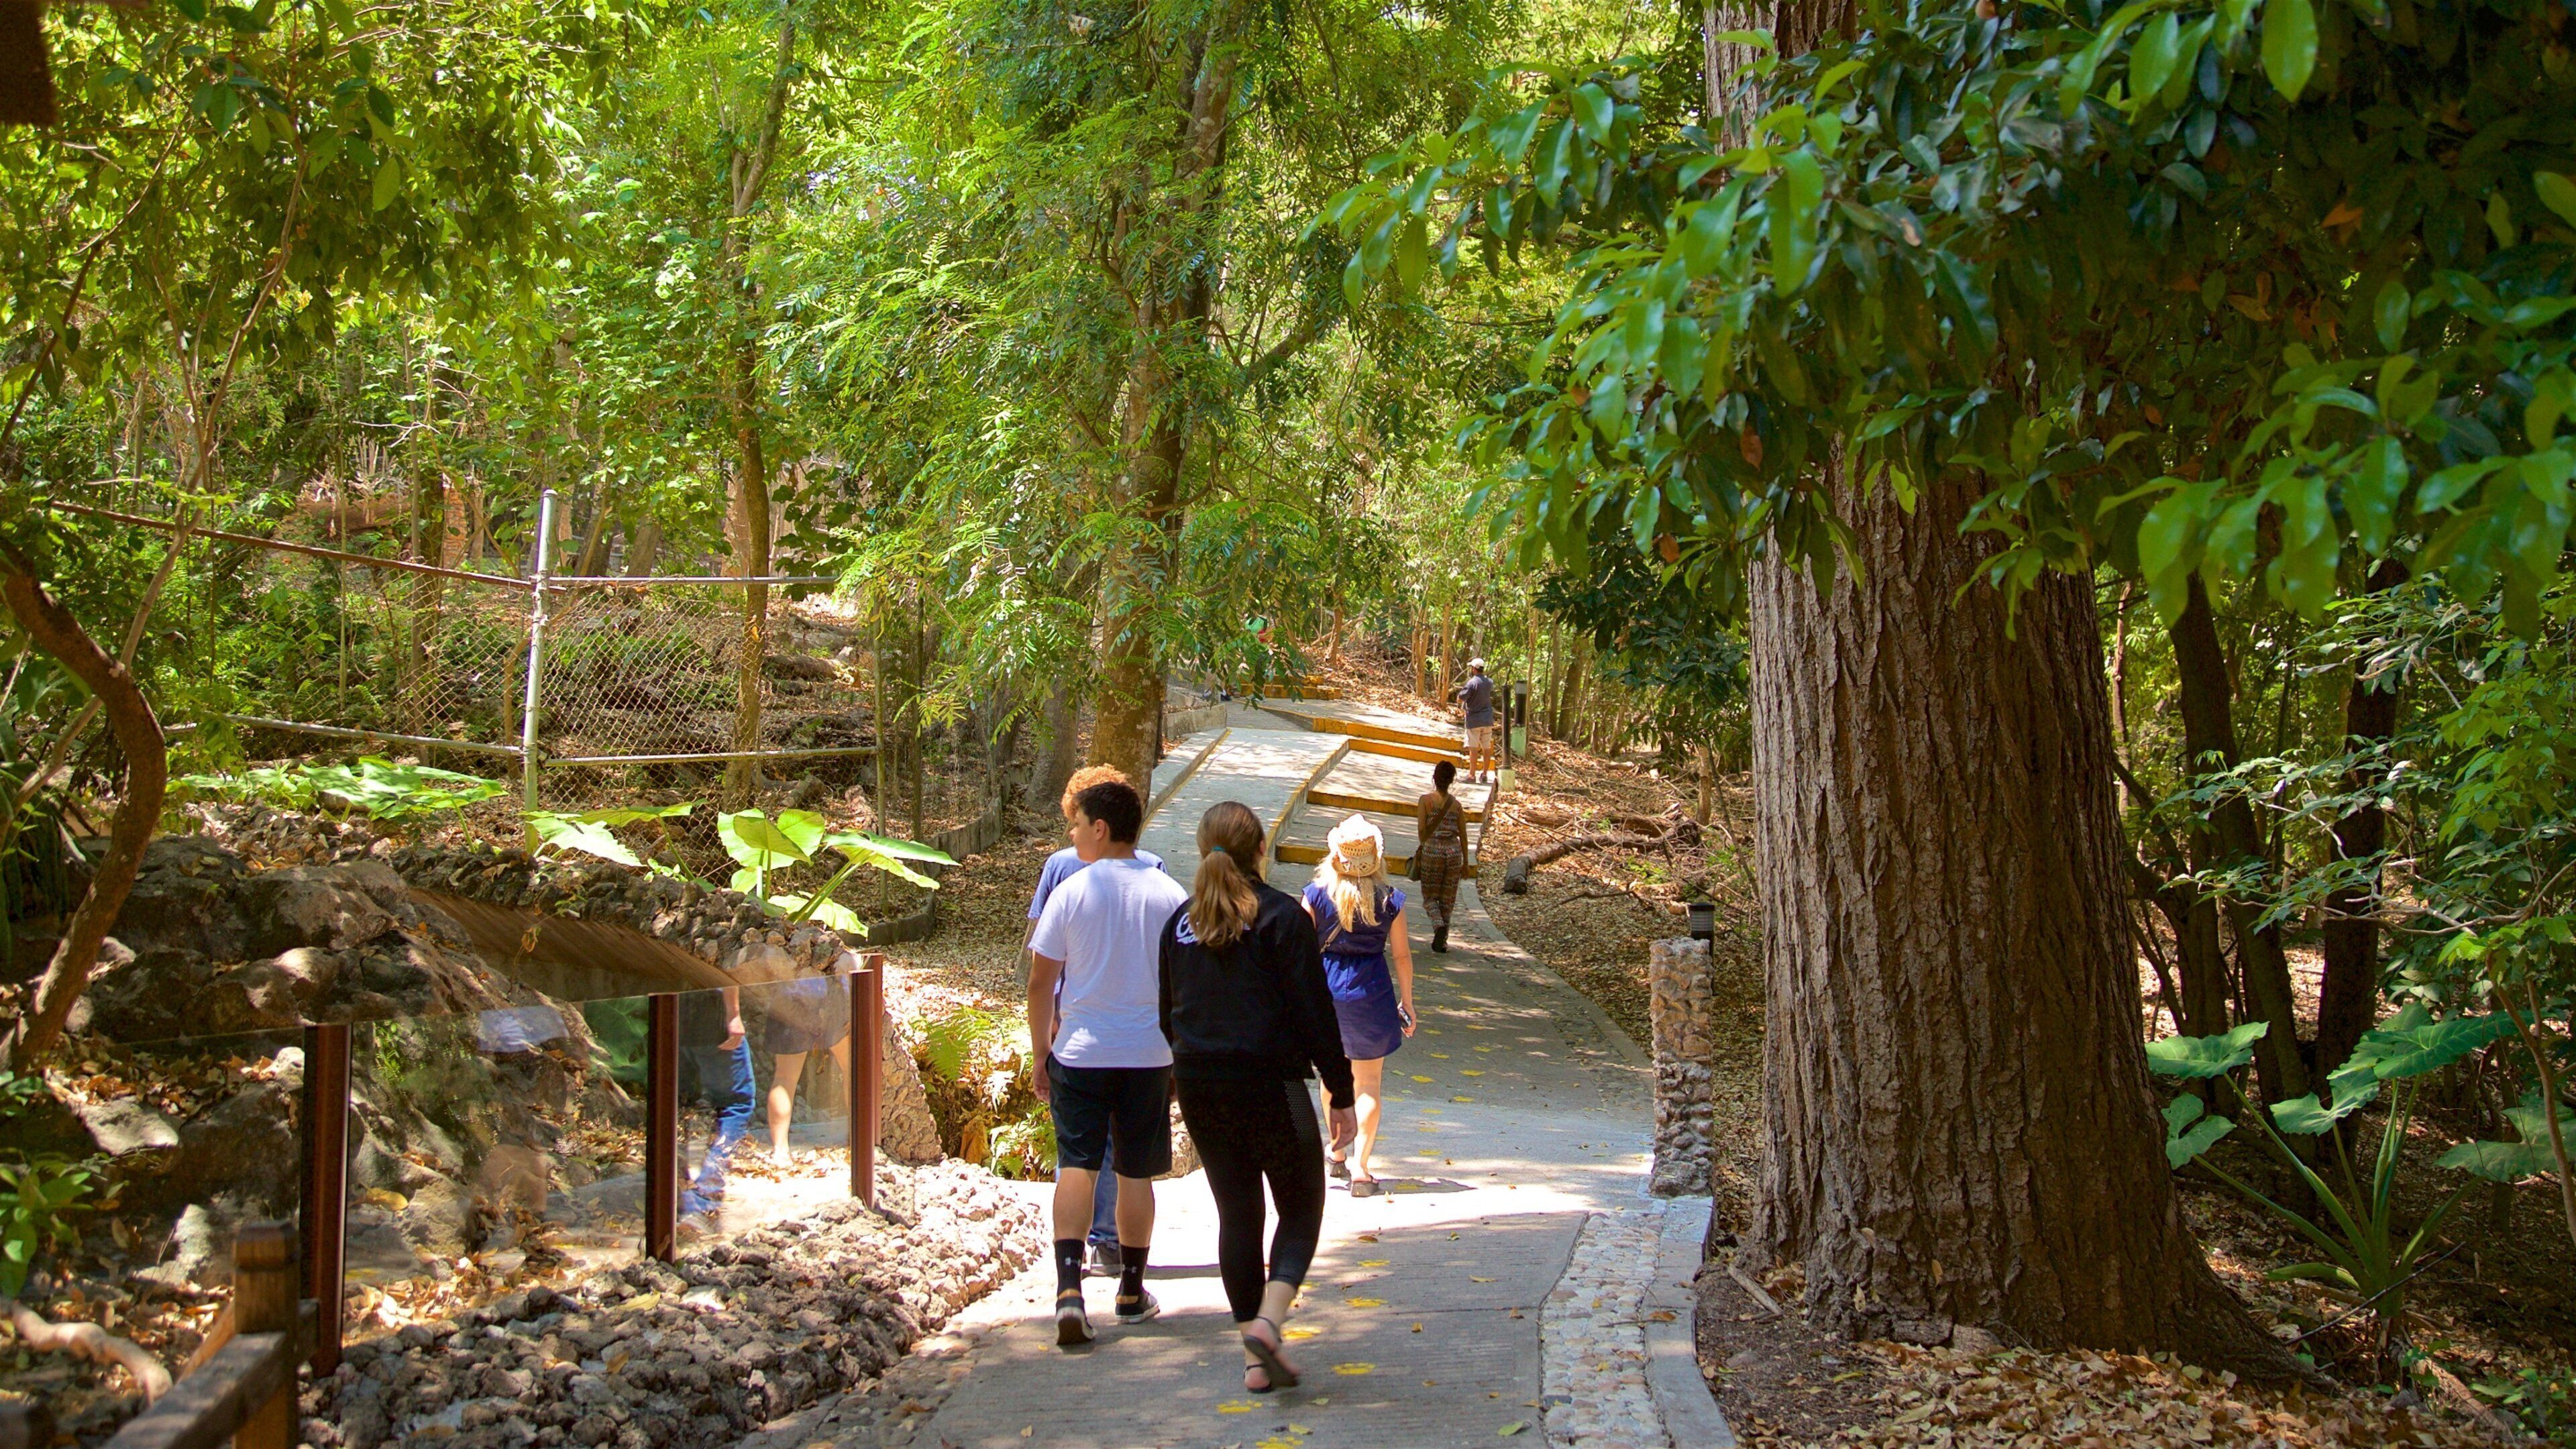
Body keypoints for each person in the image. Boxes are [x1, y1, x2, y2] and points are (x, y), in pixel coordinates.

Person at [1160, 802, 1358, 1394]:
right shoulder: (1281, 917)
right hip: (1270, 1085)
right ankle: (1268, 1323)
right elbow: (1314, 1011)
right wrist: (1341, 1090)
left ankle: (1252, 1356)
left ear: (1203, 850)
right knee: (1301, 1207)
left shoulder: (1178, 925)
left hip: (1200, 1085)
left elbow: (1167, 1012)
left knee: (1238, 1213)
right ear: (1261, 850)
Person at [1028, 775, 1189, 1346]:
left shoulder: (1072, 893)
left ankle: (1069, 1292)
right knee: (1135, 1173)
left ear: (1100, 828)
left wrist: (1041, 1052)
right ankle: (1131, 1291)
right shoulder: (1171, 896)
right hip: (1148, 1055)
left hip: (1080, 1053)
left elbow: (1041, 982)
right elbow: (1184, 985)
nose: (1072, 835)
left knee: (1078, 1165)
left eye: (1077, 825)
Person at [1301, 815, 1416, 1196]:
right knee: (1368, 1083)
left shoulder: (1316, 895)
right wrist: (1407, 1002)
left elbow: (1299, 952)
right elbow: (1402, 957)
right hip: (1372, 992)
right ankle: (1362, 1170)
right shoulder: (1391, 901)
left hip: (1327, 992)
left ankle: (1336, 1150)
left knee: (1332, 1077)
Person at [676, 983, 752, 1232]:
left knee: (680, 1107)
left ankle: (674, 1198)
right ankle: (703, 1201)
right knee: (738, 1104)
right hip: (712, 1019)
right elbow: (723, 968)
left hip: (675, 1018)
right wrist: (733, 1015)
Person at [763, 975, 851, 1166]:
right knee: (851, 1069)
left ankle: (780, 1151)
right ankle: (860, 1139)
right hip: (831, 992)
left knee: (785, 1078)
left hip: (790, 993)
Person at [1413, 759, 1469, 956]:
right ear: (1452, 780)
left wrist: (1427, 844)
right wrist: (1466, 863)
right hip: (1454, 853)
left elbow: (1422, 832)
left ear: (1434, 778)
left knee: (1430, 896)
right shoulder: (1457, 806)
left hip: (1433, 851)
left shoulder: (1425, 801)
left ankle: (1438, 926)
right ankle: (1442, 942)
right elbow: (1463, 835)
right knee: (1447, 899)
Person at [1453, 657, 1498, 784]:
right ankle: (1484, 774)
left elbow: (1461, 698)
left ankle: (1472, 776)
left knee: (1473, 748)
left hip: (1474, 720)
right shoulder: (1489, 682)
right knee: (1486, 747)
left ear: (1474, 669)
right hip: (1487, 719)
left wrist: (1460, 701)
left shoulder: (1472, 683)